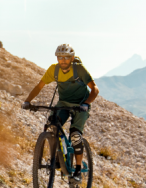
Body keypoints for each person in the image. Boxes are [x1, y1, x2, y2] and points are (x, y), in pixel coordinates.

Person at [22, 44, 99, 181]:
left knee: (75, 135)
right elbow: (39, 86)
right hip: (63, 104)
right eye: (60, 57)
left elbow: (95, 89)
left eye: (66, 58)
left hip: (81, 105)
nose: (63, 60)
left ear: (72, 58)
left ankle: (78, 171)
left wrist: (86, 104)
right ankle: (58, 157)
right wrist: (27, 101)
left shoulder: (79, 69)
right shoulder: (54, 70)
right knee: (51, 126)